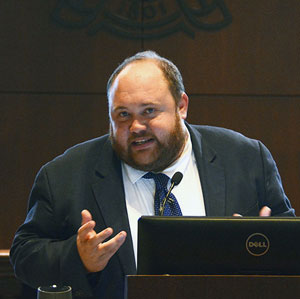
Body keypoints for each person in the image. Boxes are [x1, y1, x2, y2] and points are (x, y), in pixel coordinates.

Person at [10, 51, 295, 298]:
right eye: (122, 115)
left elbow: (291, 245)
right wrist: (79, 257)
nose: (136, 127)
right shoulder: (64, 175)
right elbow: (24, 255)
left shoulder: (245, 158)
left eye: (149, 111)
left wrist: (261, 250)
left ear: (181, 106)